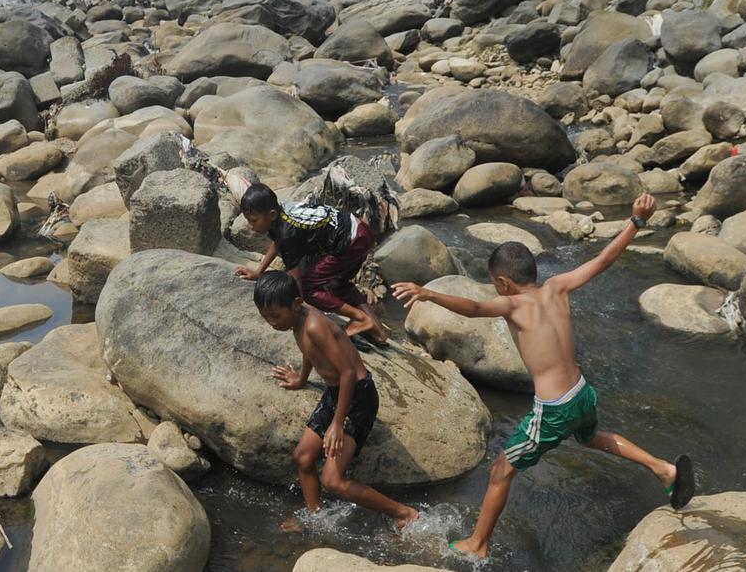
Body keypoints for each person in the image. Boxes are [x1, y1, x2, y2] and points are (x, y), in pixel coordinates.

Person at [392, 194, 695, 560]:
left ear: (503, 283)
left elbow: (473, 308)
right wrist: (636, 221)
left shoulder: (513, 304)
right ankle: (663, 469)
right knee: (590, 437)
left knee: (501, 471)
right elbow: (603, 259)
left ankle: (478, 544)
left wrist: (429, 294)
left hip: (555, 408)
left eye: (494, 283)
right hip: (583, 393)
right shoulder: (557, 287)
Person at [254, 271, 419, 531]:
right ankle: (315, 517)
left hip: (358, 396)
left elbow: (348, 373)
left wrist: (337, 425)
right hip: (336, 392)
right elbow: (309, 351)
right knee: (303, 457)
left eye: (275, 316)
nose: (272, 323)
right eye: (266, 317)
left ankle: (403, 513)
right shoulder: (296, 321)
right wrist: (301, 378)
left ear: (296, 304)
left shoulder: (314, 325)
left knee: (333, 479)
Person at [236, 182, 387, 343]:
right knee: (340, 284)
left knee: (309, 288)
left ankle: (359, 318)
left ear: (271, 214)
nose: (250, 226)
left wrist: (297, 311)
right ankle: (378, 331)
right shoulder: (282, 212)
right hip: (359, 231)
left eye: (253, 221)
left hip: (350, 242)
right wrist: (259, 272)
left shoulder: (287, 233)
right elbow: (277, 242)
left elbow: (296, 281)